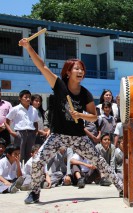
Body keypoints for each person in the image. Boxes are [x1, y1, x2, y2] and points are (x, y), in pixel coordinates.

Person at [19, 38, 123, 204]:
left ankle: (121, 187)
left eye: (82, 69)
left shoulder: (85, 93)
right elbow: (42, 66)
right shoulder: (59, 85)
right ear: (68, 72)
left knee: (100, 161)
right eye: (76, 68)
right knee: (38, 161)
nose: (80, 71)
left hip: (78, 137)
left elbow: (94, 116)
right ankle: (35, 192)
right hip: (58, 134)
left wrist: (80, 115)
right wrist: (28, 47)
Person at [5, 90, 39, 164]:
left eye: (29, 97)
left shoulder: (33, 109)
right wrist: (11, 132)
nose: (28, 99)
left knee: (30, 153)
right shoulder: (15, 109)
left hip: (31, 133)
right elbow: (7, 121)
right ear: (20, 98)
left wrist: (35, 132)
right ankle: (18, 171)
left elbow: (36, 122)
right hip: (20, 133)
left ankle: (27, 171)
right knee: (19, 153)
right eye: (25, 97)